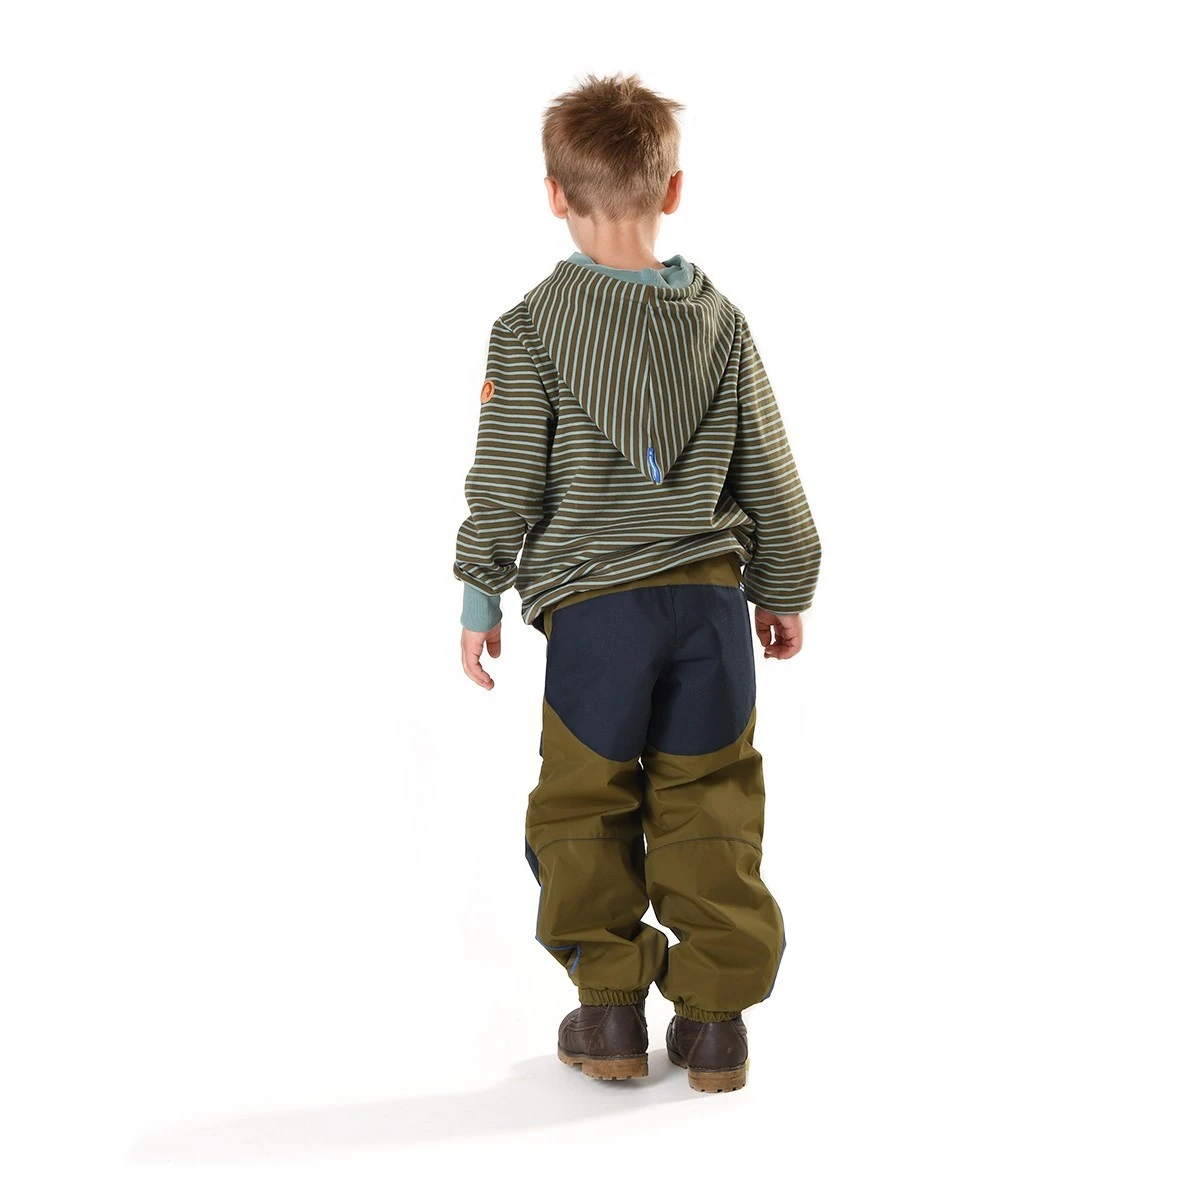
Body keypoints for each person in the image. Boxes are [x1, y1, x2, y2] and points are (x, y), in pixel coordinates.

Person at [452, 72, 821, 1094]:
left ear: (553, 195)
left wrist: (480, 590)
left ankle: (610, 1009)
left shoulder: (529, 330)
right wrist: (784, 585)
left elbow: (506, 479)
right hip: (709, 609)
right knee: (712, 805)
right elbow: (772, 475)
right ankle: (714, 1026)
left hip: (596, 618)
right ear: (674, 189)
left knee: (586, 801)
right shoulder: (722, 325)